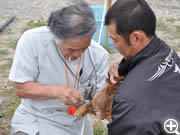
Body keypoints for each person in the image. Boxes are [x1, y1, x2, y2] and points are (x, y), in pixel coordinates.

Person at [9, 2, 109, 135]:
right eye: (71, 49)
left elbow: (100, 96)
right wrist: (57, 91)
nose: (78, 55)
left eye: (84, 48)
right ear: (55, 37)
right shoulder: (32, 40)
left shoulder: (98, 55)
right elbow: (20, 88)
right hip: (35, 118)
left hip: (74, 122)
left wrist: (100, 106)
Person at [105, 0, 180, 134]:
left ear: (136, 37)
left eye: (115, 40)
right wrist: (125, 66)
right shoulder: (167, 52)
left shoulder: (128, 102)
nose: (114, 46)